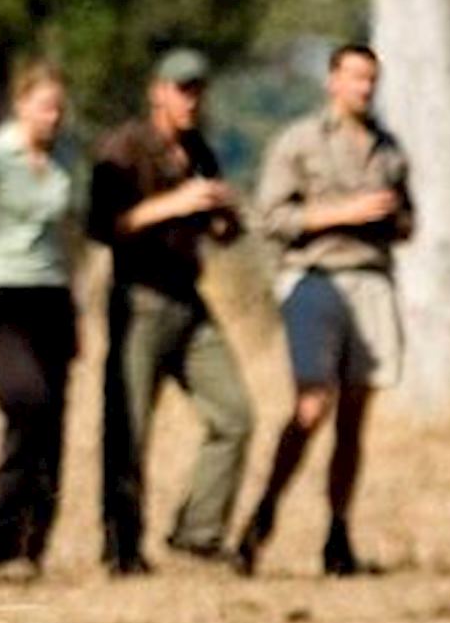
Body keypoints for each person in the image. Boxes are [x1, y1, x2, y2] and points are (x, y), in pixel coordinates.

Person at [238, 41, 412, 576]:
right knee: (312, 407)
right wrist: (344, 212)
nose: (365, 88)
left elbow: (410, 223)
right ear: (332, 80)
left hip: (372, 280)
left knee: (355, 418)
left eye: (372, 79)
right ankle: (262, 514)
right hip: (314, 278)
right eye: (356, 77)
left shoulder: (389, 149)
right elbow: (270, 217)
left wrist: (390, 217)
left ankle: (338, 534)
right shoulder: (300, 142)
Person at [86, 47, 253, 574]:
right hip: (139, 298)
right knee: (129, 428)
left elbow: (222, 232)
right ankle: (121, 547)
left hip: (188, 298)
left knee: (235, 415)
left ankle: (198, 531)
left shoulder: (200, 150)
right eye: (183, 89)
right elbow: (102, 225)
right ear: (157, 91)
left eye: (198, 89)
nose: (192, 99)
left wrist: (223, 213)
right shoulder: (123, 148)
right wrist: (175, 204)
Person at [0, 62, 81, 576]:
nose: (54, 117)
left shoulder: (61, 162)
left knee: (54, 424)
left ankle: (34, 544)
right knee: (28, 405)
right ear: (21, 104)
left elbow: (66, 243)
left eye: (60, 109)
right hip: (2, 294)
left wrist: (77, 309)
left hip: (51, 295)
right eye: (46, 106)